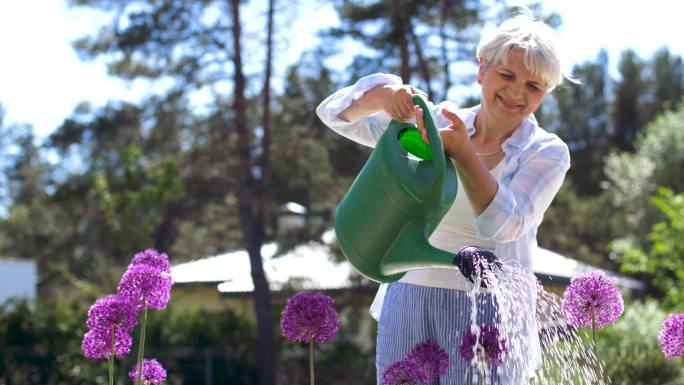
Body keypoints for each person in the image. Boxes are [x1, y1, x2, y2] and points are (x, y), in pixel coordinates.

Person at [316, 13, 572, 384]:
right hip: (407, 295)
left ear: (545, 93)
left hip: (488, 308)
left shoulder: (546, 152)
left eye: (533, 86)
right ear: (482, 69)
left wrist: (464, 154)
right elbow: (336, 115)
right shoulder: (434, 123)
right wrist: (386, 98)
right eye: (507, 75)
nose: (517, 93)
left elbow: (506, 223)